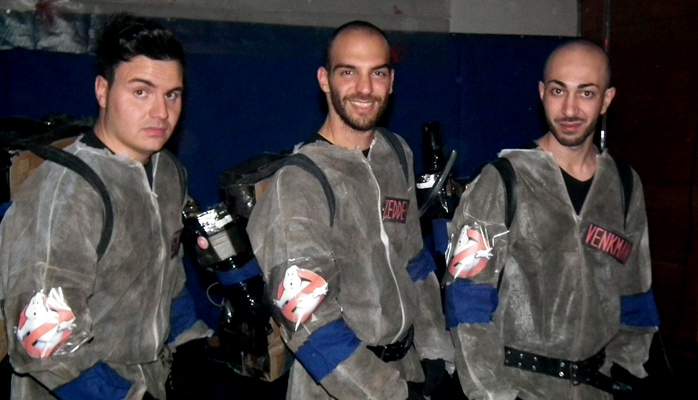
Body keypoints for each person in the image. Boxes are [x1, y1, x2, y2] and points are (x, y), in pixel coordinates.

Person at [0, 13, 210, 400]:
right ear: (103, 90)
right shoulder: (66, 194)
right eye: (141, 92)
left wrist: (191, 344)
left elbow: (168, 279)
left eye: (172, 95)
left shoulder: (167, 173)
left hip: (149, 380)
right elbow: (45, 342)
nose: (161, 113)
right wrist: (124, 396)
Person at [245, 20, 454, 400]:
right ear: (324, 80)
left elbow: (413, 260)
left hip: (407, 368)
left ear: (391, 81)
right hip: (339, 385)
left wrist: (434, 348)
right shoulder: (301, 182)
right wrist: (387, 392)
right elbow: (306, 316)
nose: (365, 88)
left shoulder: (396, 152)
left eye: (378, 73)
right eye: (348, 72)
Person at [443, 39, 660, 400]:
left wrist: (628, 368)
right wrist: (492, 393)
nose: (570, 108)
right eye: (559, 91)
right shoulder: (502, 181)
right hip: (520, 387)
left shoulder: (623, 184)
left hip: (598, 386)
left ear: (607, 99)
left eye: (586, 93)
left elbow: (635, 293)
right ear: (543, 93)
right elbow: (466, 300)